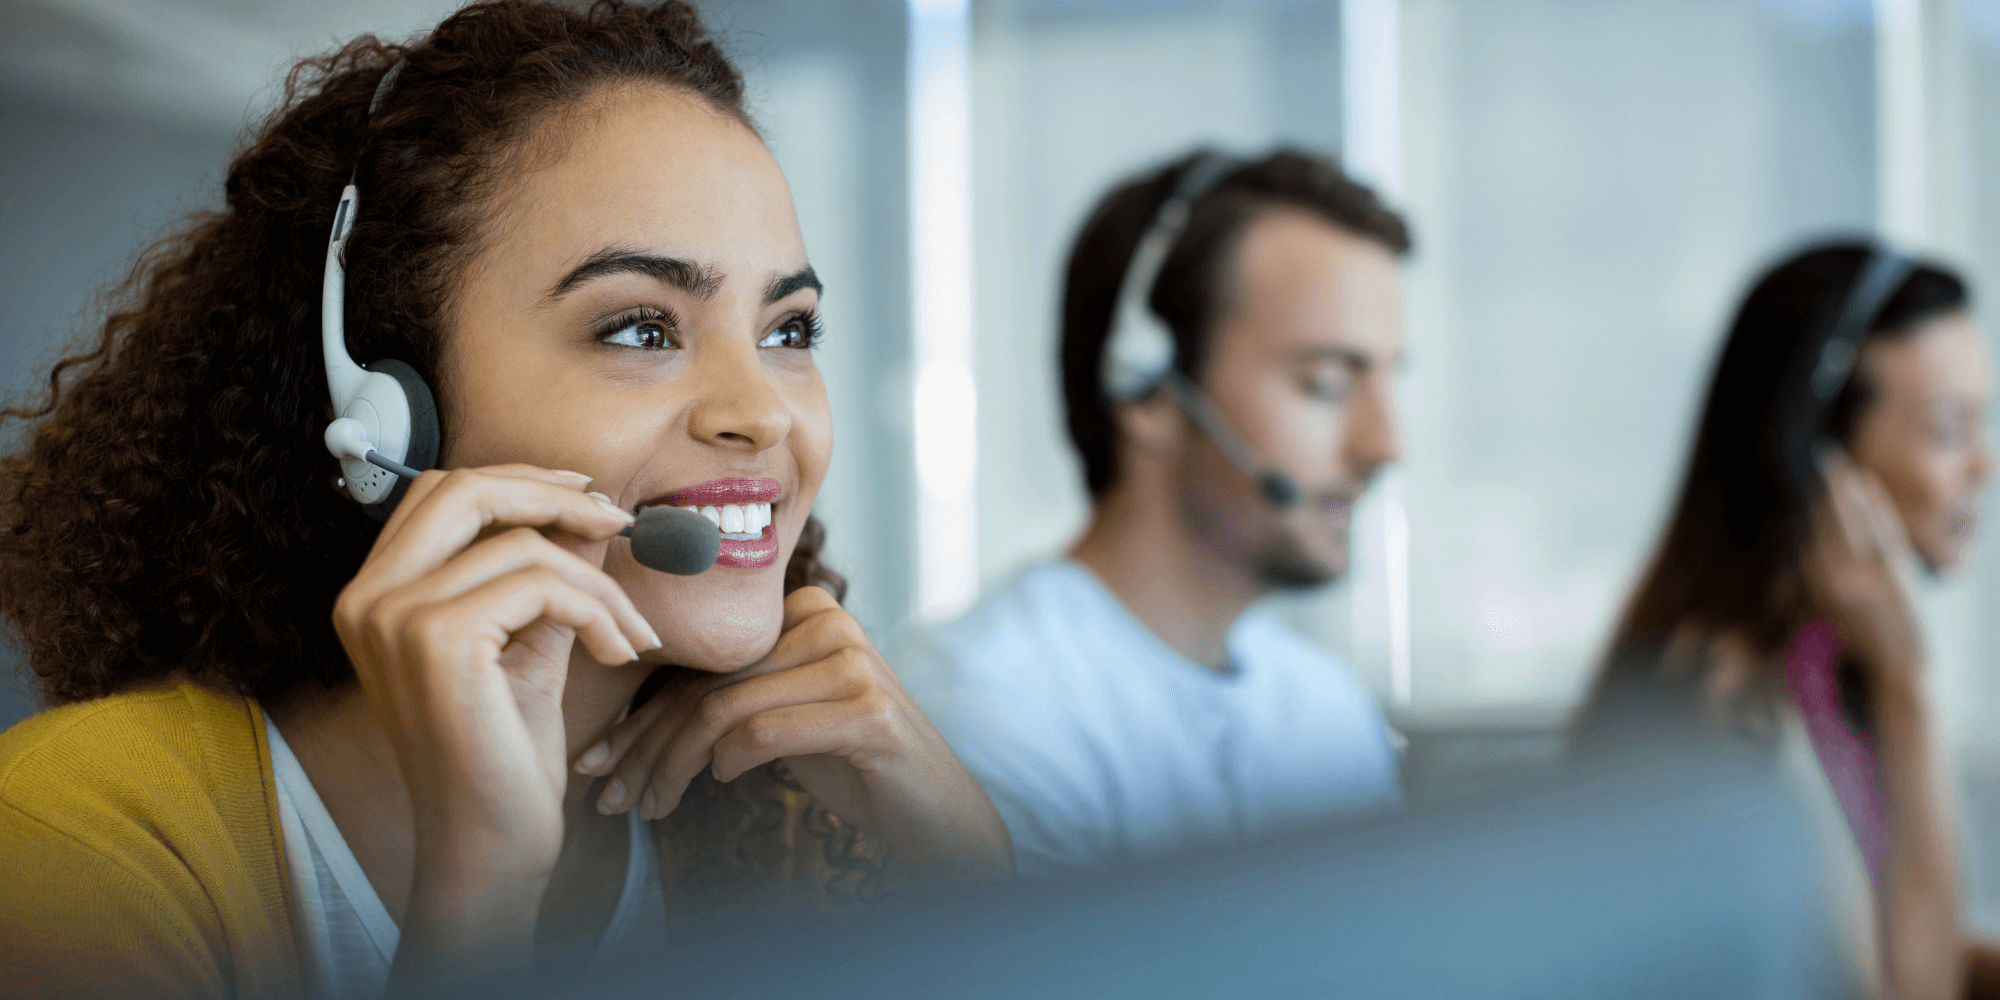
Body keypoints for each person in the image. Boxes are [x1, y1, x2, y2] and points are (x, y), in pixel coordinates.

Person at [0, 3, 1011, 997]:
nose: (762, 415)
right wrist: (477, 895)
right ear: (392, 406)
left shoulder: (773, 808)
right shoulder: (73, 839)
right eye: (637, 328)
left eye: (788, 331)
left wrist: (971, 875)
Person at [888, 149, 1408, 878]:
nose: (1385, 446)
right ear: (1148, 393)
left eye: (1388, 381)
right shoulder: (985, 707)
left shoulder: (1330, 713)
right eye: (1325, 383)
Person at [1576, 240, 1996, 999]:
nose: (1985, 465)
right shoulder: (1726, 702)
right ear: (1816, 454)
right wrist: (1914, 684)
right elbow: (1909, 988)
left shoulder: (1835, 665)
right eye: (1948, 430)